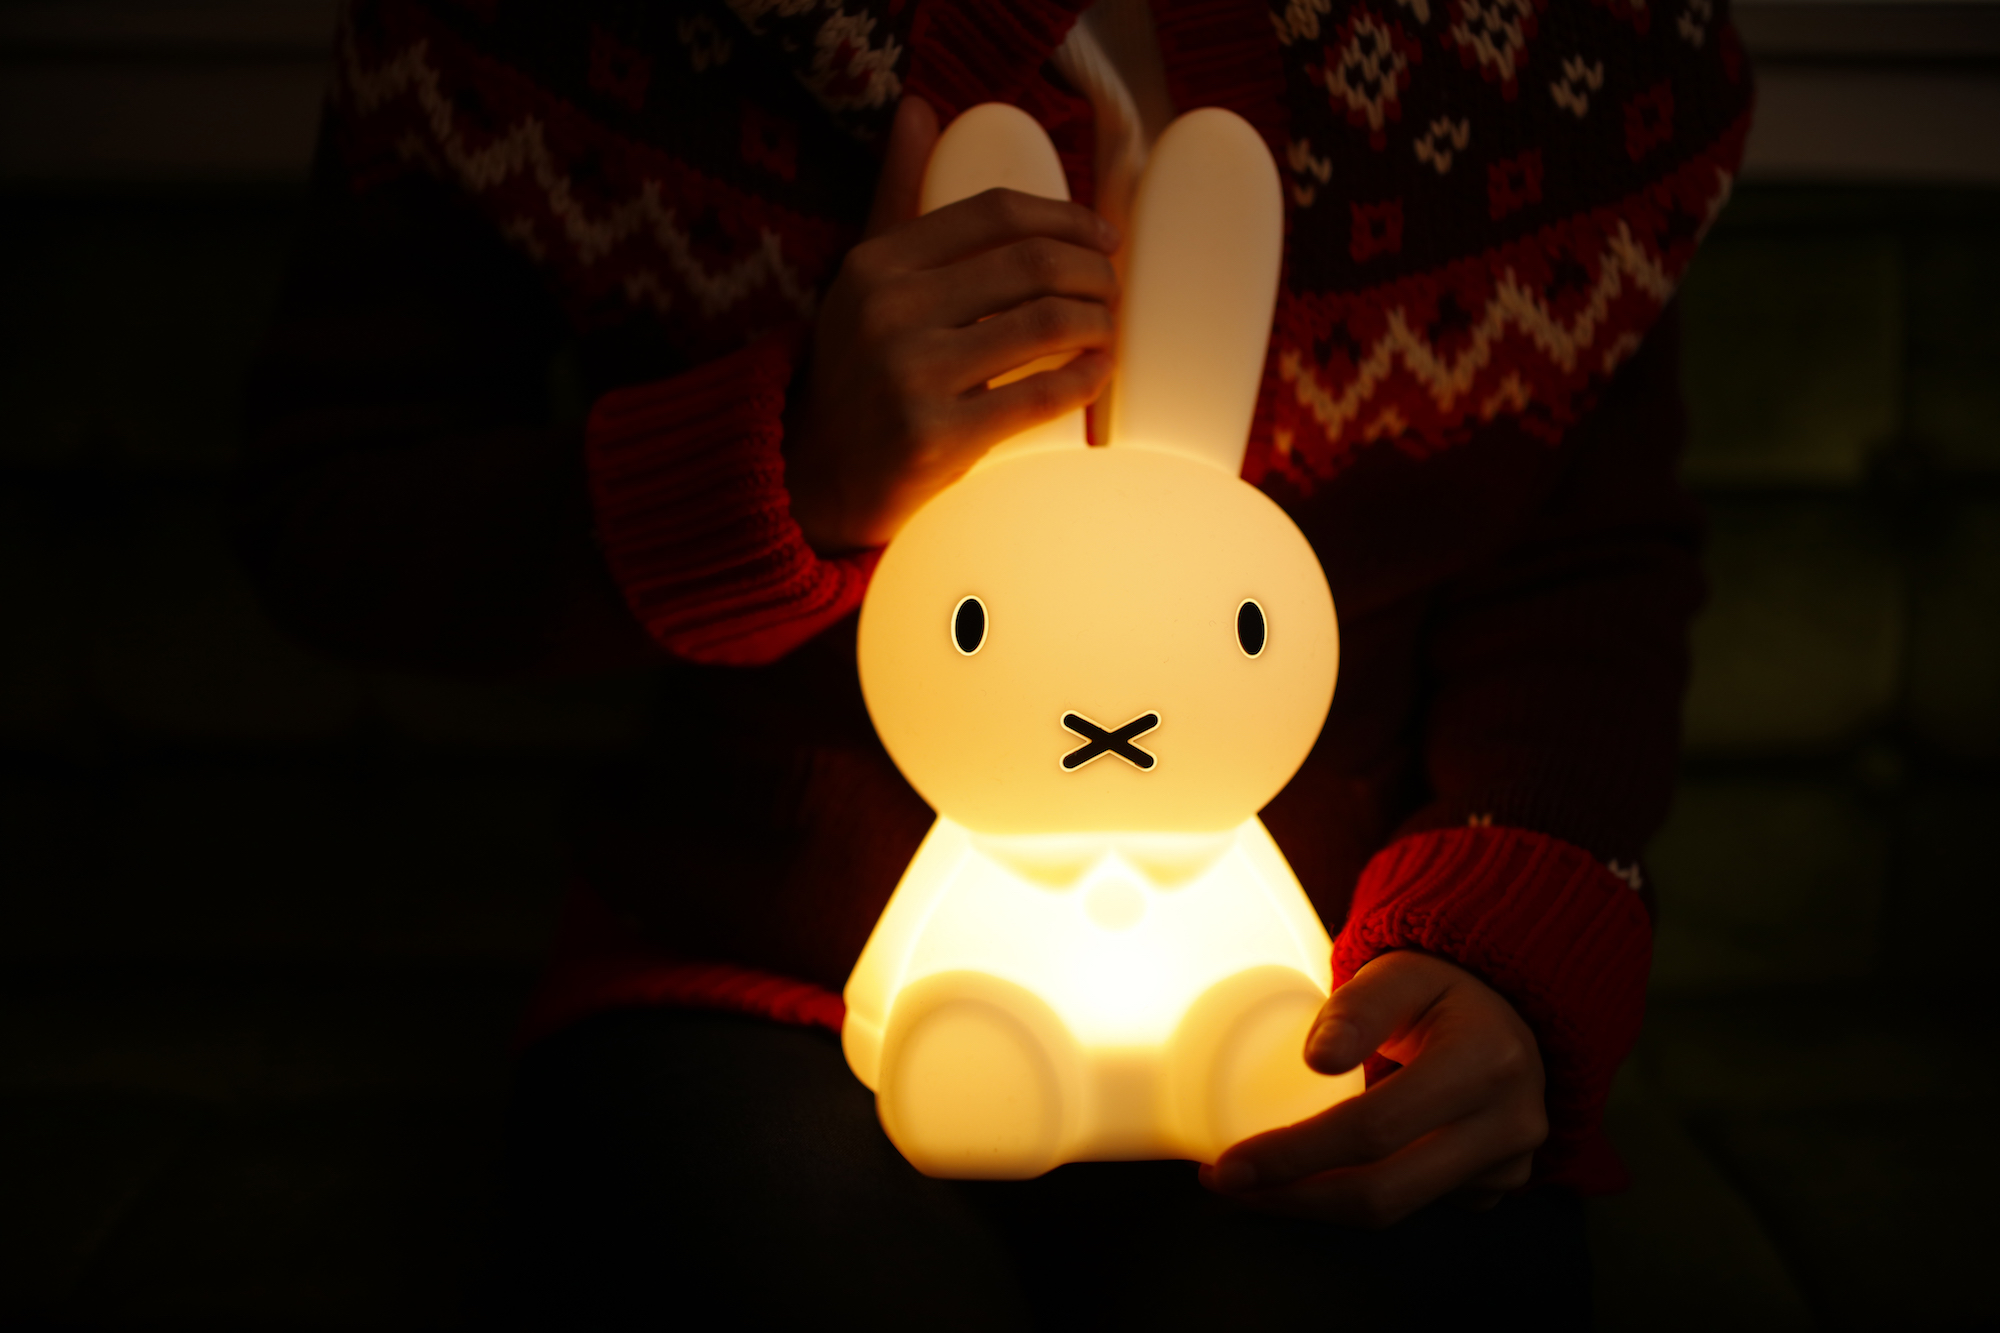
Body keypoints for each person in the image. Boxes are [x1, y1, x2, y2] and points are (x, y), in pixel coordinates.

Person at [233, 0, 1752, 1324]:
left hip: (1341, 984)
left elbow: (1584, 552)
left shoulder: (1572, 44)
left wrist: (1508, 932)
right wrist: (785, 465)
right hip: (737, 958)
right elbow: (339, 503)